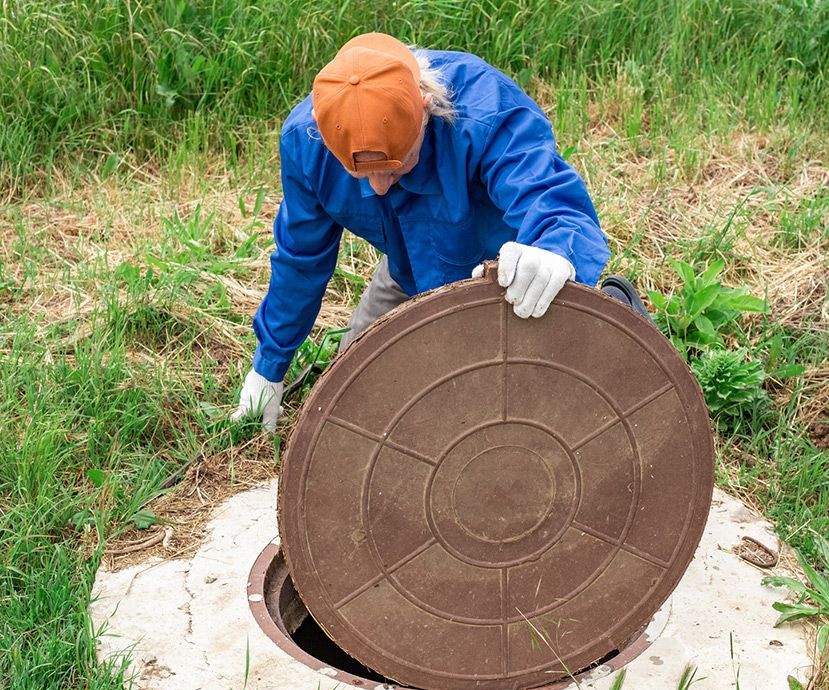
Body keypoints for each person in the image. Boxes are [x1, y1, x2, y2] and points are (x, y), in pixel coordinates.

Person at [232, 32, 647, 431]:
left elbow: (551, 199)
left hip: (508, 278)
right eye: (362, 173)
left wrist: (556, 251)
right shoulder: (307, 143)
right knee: (351, 400)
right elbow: (301, 262)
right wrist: (268, 369)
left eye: (394, 167)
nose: (377, 188)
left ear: (427, 110)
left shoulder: (484, 110)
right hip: (409, 273)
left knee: (537, 405)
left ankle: (610, 309)